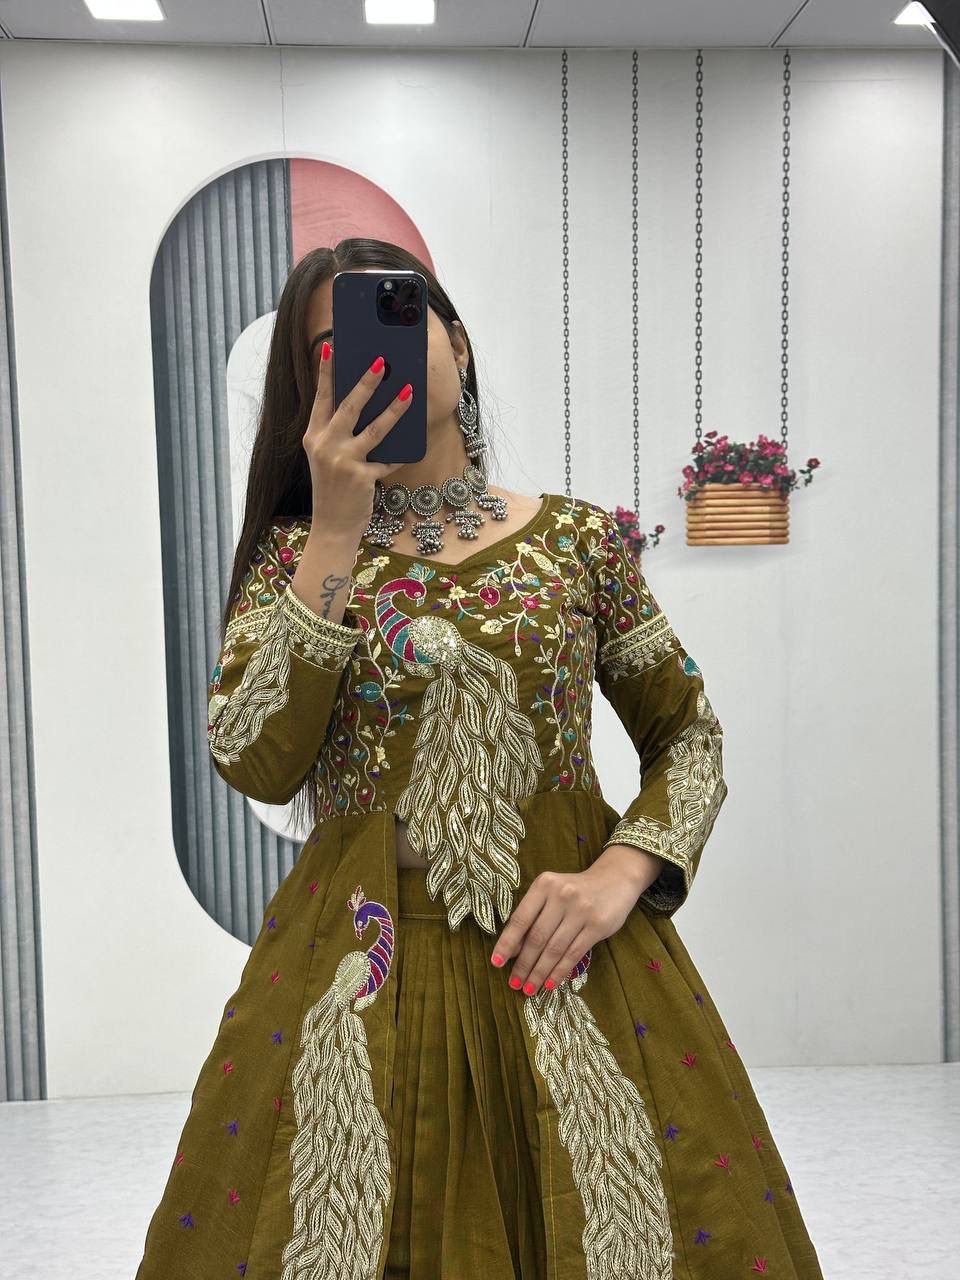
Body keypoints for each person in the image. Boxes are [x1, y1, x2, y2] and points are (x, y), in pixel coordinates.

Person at [134, 237, 825, 1279]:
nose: (376, 356)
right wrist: (334, 531)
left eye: (402, 318)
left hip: (568, 957)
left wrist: (621, 873)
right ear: (307, 391)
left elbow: (689, 735)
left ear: (456, 341)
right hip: (359, 972)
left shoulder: (578, 543)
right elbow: (253, 758)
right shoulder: (295, 556)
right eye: (334, 348)